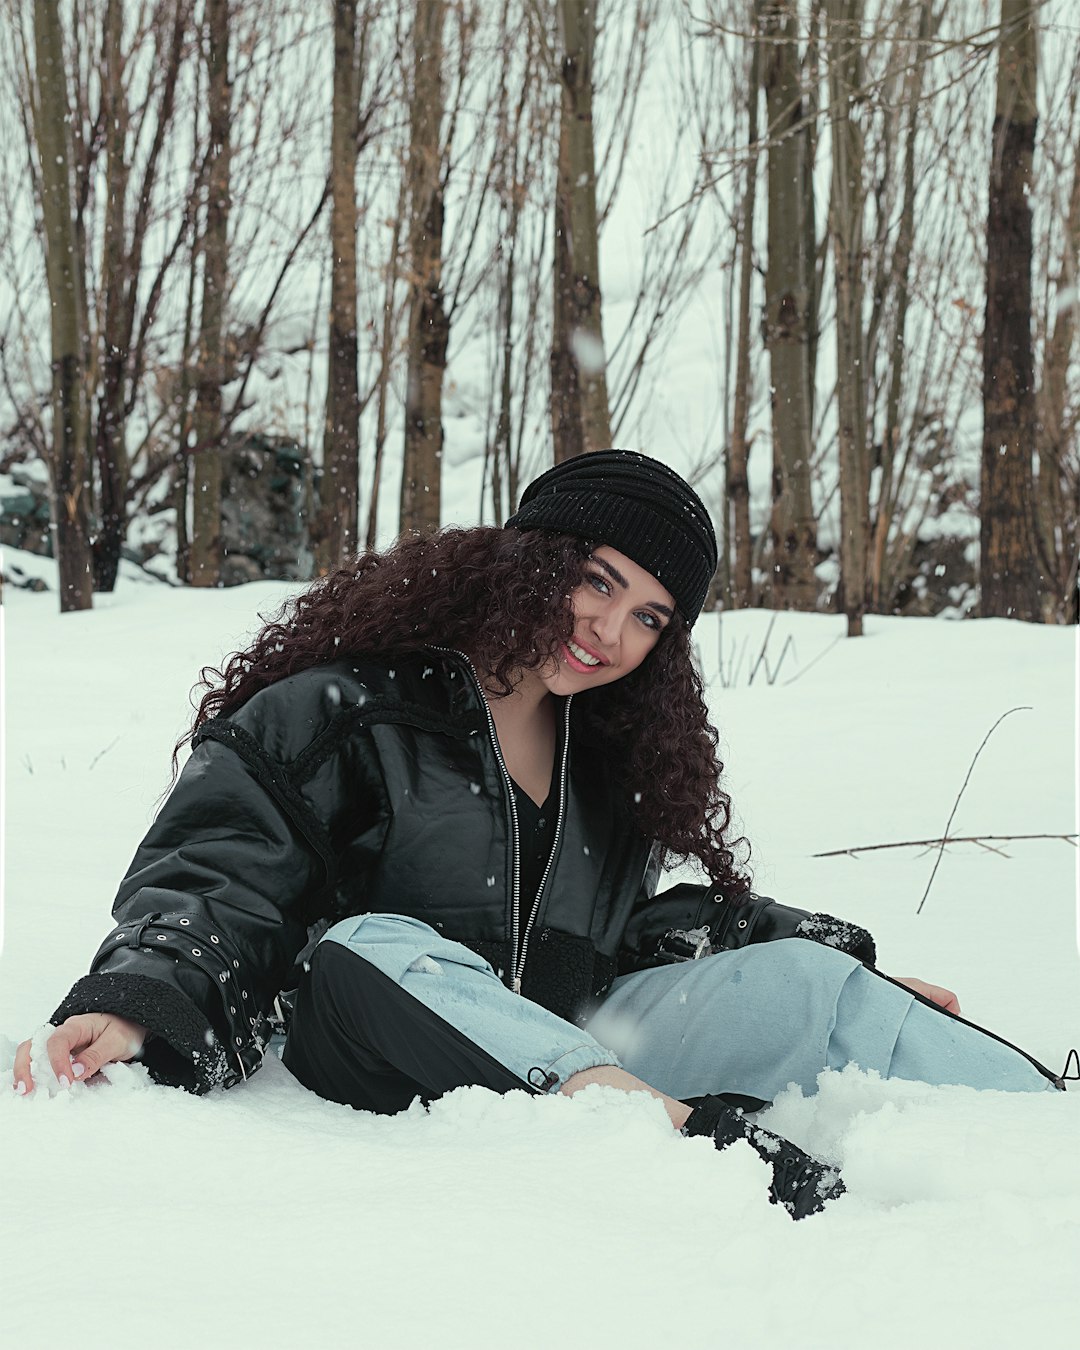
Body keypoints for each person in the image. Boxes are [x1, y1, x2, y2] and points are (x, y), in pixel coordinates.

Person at [11, 450, 1065, 1219]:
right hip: (370, 1032)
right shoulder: (349, 708)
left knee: (809, 986)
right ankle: (686, 1141)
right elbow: (217, 865)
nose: (611, 631)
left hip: (554, 1038)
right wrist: (145, 995)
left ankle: (1045, 1123)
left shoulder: (606, 762)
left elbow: (618, 943)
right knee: (372, 940)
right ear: (528, 556)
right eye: (599, 579)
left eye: (650, 615)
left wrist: (817, 958)